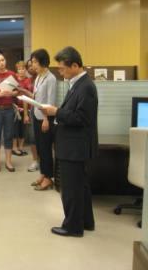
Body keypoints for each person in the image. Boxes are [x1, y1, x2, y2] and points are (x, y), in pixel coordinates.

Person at [42, 46, 97, 237]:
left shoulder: (86, 87)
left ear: (75, 65)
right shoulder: (78, 84)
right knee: (80, 186)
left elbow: (81, 118)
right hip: (73, 145)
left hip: (75, 146)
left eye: (63, 68)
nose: (60, 71)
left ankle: (73, 226)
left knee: (72, 189)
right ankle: (86, 221)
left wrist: (56, 112)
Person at [30, 49, 57, 191]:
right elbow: (37, 97)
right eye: (32, 62)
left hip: (45, 118)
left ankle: (49, 178)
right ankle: (43, 173)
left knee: (46, 148)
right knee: (40, 147)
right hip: (36, 115)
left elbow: (50, 101)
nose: (33, 65)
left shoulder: (50, 78)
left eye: (35, 62)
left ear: (43, 61)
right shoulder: (39, 76)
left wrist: (47, 119)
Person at [12, 60, 32, 157]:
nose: (21, 71)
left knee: (23, 129)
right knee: (15, 129)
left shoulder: (29, 80)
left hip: (25, 107)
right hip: (15, 108)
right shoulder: (14, 79)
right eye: (19, 69)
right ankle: (14, 147)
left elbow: (27, 96)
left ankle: (20, 147)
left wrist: (26, 114)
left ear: (26, 70)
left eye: (23, 68)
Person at [23, 59, 40, 172]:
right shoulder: (26, 81)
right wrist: (25, 114)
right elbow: (25, 99)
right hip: (31, 111)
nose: (30, 68)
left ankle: (43, 160)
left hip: (43, 111)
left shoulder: (41, 79)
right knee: (32, 138)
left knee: (42, 138)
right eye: (28, 66)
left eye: (32, 65)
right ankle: (35, 160)